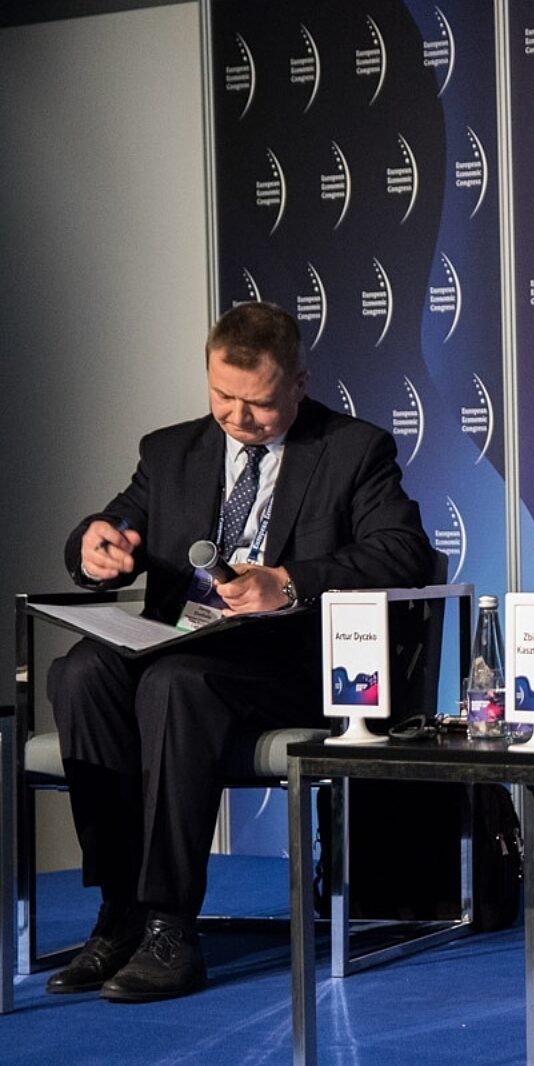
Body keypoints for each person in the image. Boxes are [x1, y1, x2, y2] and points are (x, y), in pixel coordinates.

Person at [45, 302, 435, 1002]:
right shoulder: (170, 452)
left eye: (257, 403)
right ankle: (120, 909)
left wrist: (287, 582)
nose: (236, 417)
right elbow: (118, 524)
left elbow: (403, 551)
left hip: (287, 664)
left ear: (299, 384)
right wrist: (94, 545)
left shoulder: (353, 450)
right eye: (222, 395)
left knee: (175, 683)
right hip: (182, 645)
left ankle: (170, 927)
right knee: (82, 672)